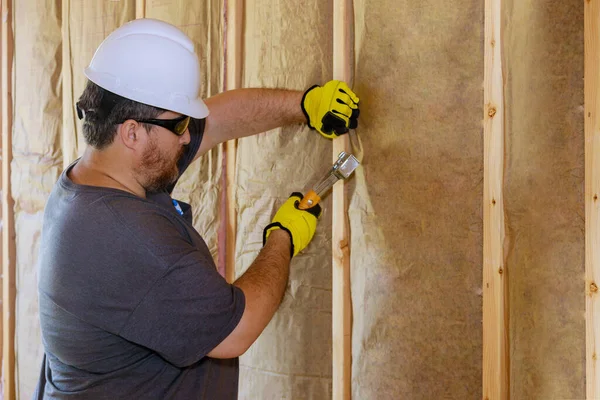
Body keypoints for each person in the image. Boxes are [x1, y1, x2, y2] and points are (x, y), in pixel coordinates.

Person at [34, 18, 359, 399]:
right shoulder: (127, 239)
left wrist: (305, 104)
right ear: (132, 131)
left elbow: (218, 119)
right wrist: (283, 237)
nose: (188, 136)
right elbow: (237, 329)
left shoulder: (102, 174)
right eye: (179, 125)